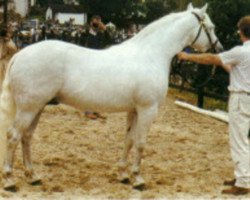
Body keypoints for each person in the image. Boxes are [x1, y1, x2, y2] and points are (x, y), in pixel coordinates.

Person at [178, 16, 250, 196]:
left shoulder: (241, 51)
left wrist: (188, 56)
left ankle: (243, 182)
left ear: (241, 32)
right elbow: (235, 69)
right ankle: (243, 175)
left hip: (240, 98)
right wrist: (222, 63)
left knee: (239, 140)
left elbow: (211, 58)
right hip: (246, 97)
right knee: (243, 139)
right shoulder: (243, 55)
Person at [82, 16, 110, 120]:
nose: (98, 23)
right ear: (91, 22)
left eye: (99, 21)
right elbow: (90, 44)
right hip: (87, 63)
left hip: (98, 63)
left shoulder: (100, 34)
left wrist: (105, 29)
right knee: (89, 88)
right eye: (96, 21)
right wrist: (94, 29)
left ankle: (96, 109)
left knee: (98, 88)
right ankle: (88, 111)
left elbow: (110, 40)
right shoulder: (86, 33)